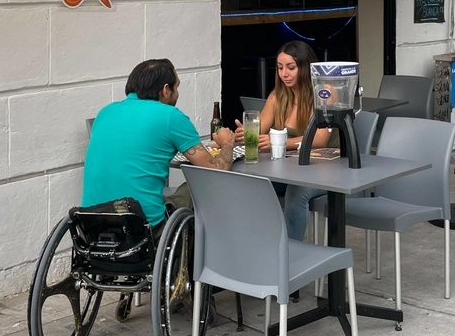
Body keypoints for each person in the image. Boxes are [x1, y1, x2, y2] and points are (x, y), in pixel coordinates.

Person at [82, 59, 236, 232]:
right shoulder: (170, 116)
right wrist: (227, 144)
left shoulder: (105, 112)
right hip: (141, 227)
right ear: (165, 90)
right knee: (202, 183)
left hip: (90, 223)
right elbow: (217, 169)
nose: (177, 93)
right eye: (176, 87)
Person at [236, 41, 336, 240]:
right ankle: (260, 245)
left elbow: (320, 139)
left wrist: (277, 143)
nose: (284, 74)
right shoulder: (278, 97)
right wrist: (244, 134)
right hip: (291, 167)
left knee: (296, 192)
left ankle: (291, 253)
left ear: (306, 67)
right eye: (280, 68)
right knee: (254, 185)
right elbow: (258, 130)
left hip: (327, 168)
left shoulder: (324, 93)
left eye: (291, 68)